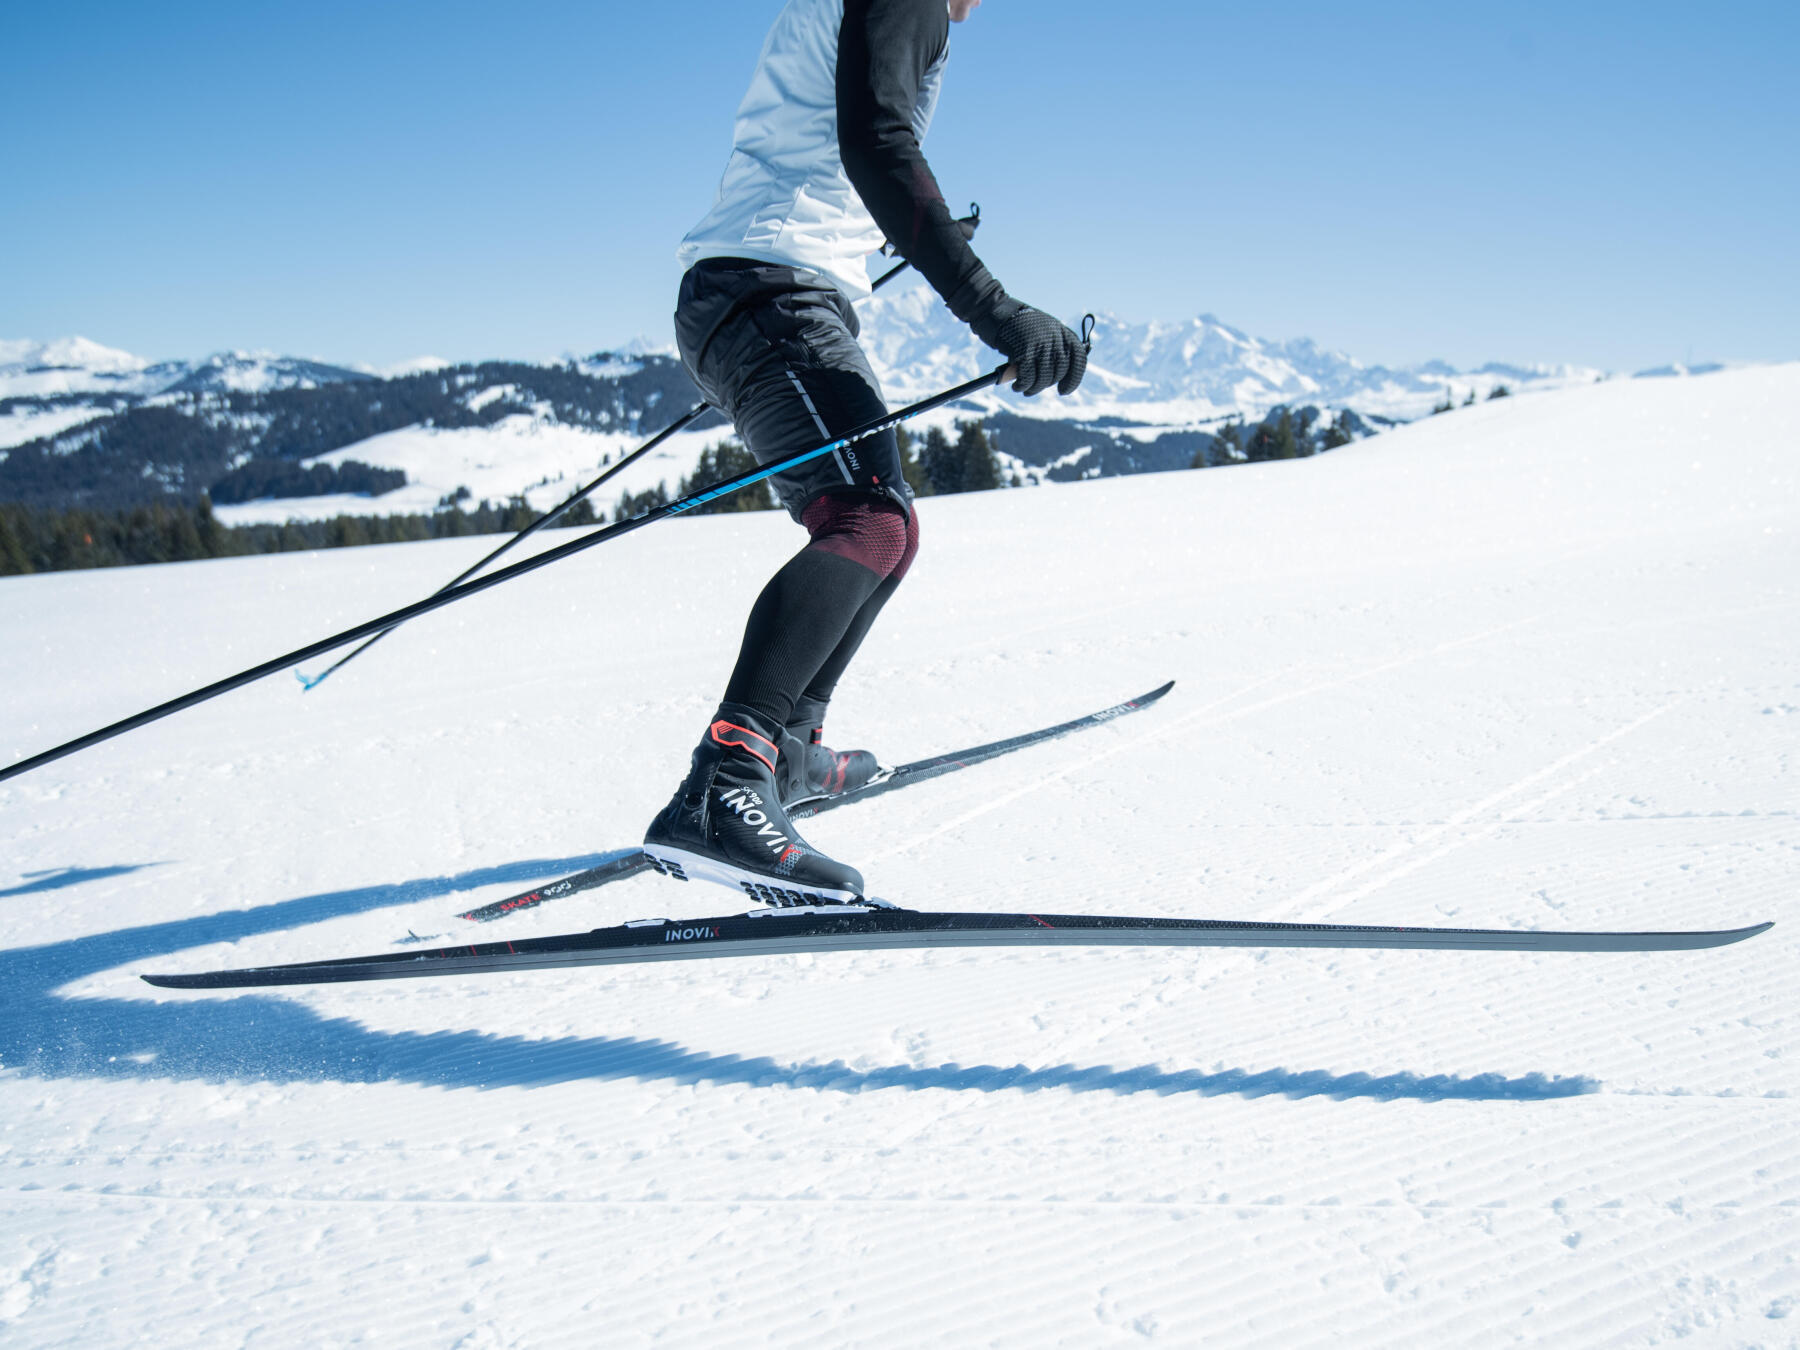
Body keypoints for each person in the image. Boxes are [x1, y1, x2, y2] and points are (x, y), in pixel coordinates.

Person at [642, 0, 1089, 905]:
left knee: (890, 524)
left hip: (762, 285)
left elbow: (836, 142)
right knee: (867, 522)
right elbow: (877, 144)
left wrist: (882, 231)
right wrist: (995, 310)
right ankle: (726, 783)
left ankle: (790, 752)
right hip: (770, 289)